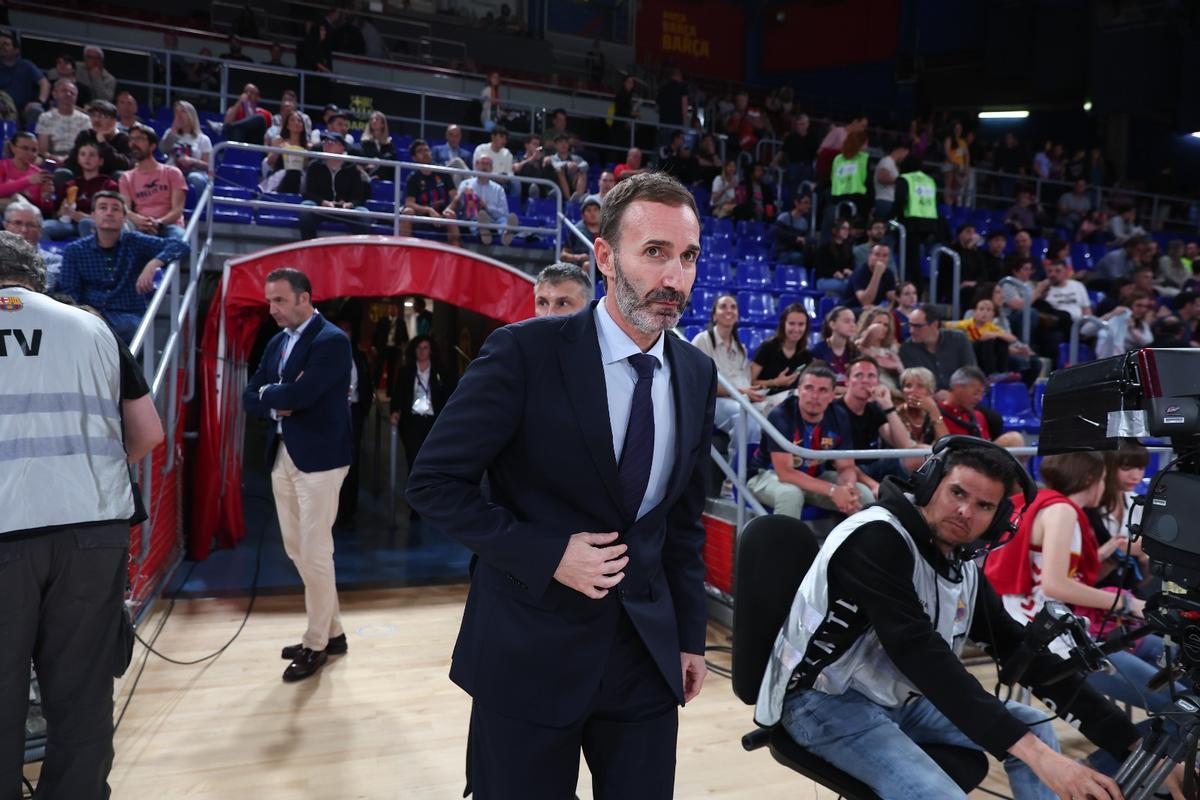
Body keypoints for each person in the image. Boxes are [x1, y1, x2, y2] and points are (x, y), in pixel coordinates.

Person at [406, 173, 717, 798]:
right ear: (604, 256)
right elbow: (435, 483)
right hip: (529, 648)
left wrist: (690, 636)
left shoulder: (696, 371)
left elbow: (681, 521)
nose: (675, 277)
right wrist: (550, 554)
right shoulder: (523, 352)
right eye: (654, 252)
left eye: (687, 257)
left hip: (643, 656)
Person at [757, 438, 1162, 800]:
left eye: (984, 506)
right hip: (820, 702)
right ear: (930, 485)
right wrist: (1041, 760)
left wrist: (1133, 746)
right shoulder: (876, 537)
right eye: (956, 493)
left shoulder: (961, 560)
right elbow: (923, 656)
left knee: (1035, 726)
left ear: (998, 518)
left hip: (899, 699)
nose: (965, 512)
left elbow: (1020, 649)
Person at [0, 230, 164, 800]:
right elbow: (148, 434)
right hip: (92, 534)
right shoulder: (93, 327)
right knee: (82, 691)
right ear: (37, 275)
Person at [985, 452, 1182, 724]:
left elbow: (1054, 573)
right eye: (1102, 478)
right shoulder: (1061, 510)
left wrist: (1110, 555)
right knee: (1183, 707)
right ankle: (1098, 763)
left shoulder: (1041, 501)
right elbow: (1055, 585)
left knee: (1176, 685)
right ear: (1090, 478)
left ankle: (1109, 762)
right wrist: (1128, 604)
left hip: (1044, 630)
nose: (1104, 485)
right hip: (1054, 641)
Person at [242, 268, 354, 682]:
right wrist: (276, 398)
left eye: (280, 301)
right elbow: (249, 395)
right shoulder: (276, 342)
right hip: (284, 453)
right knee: (297, 549)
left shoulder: (331, 341)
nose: (272, 309)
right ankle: (335, 632)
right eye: (269, 301)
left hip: (321, 459)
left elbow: (304, 395)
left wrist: (275, 394)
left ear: (305, 298)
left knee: (315, 551)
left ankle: (316, 643)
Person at [58, 191, 190, 343]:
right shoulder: (74, 250)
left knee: (132, 329)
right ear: (93, 215)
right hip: (89, 315)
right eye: (103, 208)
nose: (109, 213)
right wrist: (86, 312)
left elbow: (180, 245)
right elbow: (70, 293)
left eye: (115, 209)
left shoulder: (134, 241)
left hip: (127, 317)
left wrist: (153, 263)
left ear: (125, 218)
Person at [745, 363, 871, 520]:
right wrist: (832, 490)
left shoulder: (839, 416)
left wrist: (848, 488)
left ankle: (855, 544)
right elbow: (785, 473)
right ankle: (781, 545)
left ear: (833, 395)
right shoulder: (781, 414)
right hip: (767, 475)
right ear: (799, 390)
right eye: (809, 388)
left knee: (863, 495)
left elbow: (846, 467)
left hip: (814, 478)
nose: (814, 396)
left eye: (823, 390)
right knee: (791, 495)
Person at [689, 293, 763, 447]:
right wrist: (741, 391)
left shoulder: (741, 348)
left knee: (769, 413)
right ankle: (739, 468)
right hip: (714, 401)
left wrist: (752, 391)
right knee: (743, 415)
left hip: (741, 398)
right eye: (723, 307)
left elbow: (745, 380)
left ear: (737, 316)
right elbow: (702, 383)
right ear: (714, 316)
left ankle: (751, 465)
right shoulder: (702, 340)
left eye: (733, 307)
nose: (729, 310)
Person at [836, 355, 917, 491]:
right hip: (847, 471)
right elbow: (842, 463)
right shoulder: (835, 410)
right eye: (859, 375)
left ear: (878, 382)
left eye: (871, 376)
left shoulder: (874, 409)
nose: (865, 381)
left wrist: (888, 406)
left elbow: (905, 446)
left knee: (923, 456)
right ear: (847, 382)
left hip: (875, 466)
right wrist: (873, 485)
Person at [389, 334, 453, 481]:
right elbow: (397, 394)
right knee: (413, 459)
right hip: (412, 421)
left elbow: (449, 395)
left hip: (433, 422)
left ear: (431, 350)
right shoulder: (406, 371)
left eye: (426, 348)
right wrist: (394, 411)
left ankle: (428, 493)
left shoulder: (440, 372)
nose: (422, 351)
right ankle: (415, 494)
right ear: (414, 350)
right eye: (419, 347)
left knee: (432, 460)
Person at [119, 123, 187, 239]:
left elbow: (177, 210)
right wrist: (138, 220)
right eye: (131, 139)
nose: (134, 143)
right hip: (141, 226)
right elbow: (126, 209)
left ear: (152, 146)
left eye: (140, 139)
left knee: (178, 236)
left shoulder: (172, 172)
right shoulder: (126, 177)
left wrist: (158, 223)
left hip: (168, 226)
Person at [299, 132, 370, 241]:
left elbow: (359, 196)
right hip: (322, 207)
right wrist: (323, 202)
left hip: (345, 210)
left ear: (342, 147)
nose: (326, 144)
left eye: (331, 142)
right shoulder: (314, 166)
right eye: (325, 142)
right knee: (305, 208)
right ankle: (310, 248)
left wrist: (350, 204)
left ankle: (359, 252)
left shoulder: (352, 169)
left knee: (364, 213)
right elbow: (308, 193)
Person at [43, 141, 117, 240]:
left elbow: (112, 215)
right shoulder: (70, 184)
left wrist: (86, 217)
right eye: (83, 154)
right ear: (78, 159)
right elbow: (56, 213)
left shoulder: (108, 185)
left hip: (95, 224)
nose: (87, 158)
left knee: (85, 223)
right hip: (70, 224)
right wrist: (61, 212)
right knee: (44, 227)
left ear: (100, 161)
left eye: (92, 155)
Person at [443, 153, 518, 246]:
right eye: (482, 163)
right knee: (475, 218)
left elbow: (503, 212)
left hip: (494, 220)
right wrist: (466, 200)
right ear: (476, 166)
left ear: (491, 168)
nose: (484, 167)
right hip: (474, 218)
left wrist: (486, 207)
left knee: (502, 220)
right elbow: (459, 207)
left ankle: (505, 234)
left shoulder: (498, 189)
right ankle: (483, 231)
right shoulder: (465, 184)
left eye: (487, 164)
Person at [899, 305, 977, 393]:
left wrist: (953, 394)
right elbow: (913, 383)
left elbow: (971, 373)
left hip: (961, 395)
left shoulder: (958, 339)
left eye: (917, 326)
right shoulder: (907, 349)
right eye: (910, 325)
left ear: (934, 325)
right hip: (928, 399)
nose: (911, 331)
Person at [750, 302, 812, 410]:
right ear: (784, 324)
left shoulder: (806, 355)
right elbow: (750, 381)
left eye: (801, 324)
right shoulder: (767, 348)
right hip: (765, 401)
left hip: (792, 402)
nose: (796, 329)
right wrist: (775, 382)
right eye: (792, 324)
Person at [399, 138, 459, 245]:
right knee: (407, 212)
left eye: (426, 150)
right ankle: (403, 251)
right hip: (422, 217)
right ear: (414, 158)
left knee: (451, 214)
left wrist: (448, 209)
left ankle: (456, 253)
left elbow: (455, 197)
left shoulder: (443, 172)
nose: (425, 153)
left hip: (442, 215)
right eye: (420, 151)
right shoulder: (413, 177)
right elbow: (409, 203)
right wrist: (429, 210)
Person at [160, 100, 212, 197]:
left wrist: (193, 161)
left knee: (196, 179)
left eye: (183, 112)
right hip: (173, 170)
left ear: (191, 115)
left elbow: (208, 165)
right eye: (176, 112)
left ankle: (199, 210)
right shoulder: (169, 133)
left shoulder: (203, 139)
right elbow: (163, 149)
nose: (179, 115)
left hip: (195, 172)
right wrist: (173, 132)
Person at [5, 199, 62, 288]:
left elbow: (39, 287)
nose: (24, 230)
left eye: (31, 225)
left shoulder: (55, 262)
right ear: (6, 226)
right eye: (17, 223)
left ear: (40, 231)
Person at [0, 29, 50, 130]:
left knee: (36, 110)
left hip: (24, 109)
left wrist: (39, 101)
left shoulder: (26, 65)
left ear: (16, 50)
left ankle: (32, 142)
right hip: (3, 106)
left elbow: (45, 84)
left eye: (6, 44)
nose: (2, 47)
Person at [0, 130, 53, 216]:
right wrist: (28, 181)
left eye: (34, 150)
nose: (30, 153)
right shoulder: (2, 166)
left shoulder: (40, 174)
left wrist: (46, 197)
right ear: (13, 147)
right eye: (25, 148)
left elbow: (45, 211)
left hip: (27, 217)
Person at [36, 79, 90, 161]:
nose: (68, 94)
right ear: (54, 94)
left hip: (78, 159)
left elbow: (86, 147)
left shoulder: (85, 119)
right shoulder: (45, 117)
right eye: (64, 91)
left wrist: (70, 158)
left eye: (72, 93)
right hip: (52, 158)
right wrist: (55, 158)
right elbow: (43, 150)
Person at [897, 366, 950, 444]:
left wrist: (933, 410)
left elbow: (945, 445)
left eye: (920, 386)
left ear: (930, 392)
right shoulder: (897, 413)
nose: (912, 390)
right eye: (908, 386)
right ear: (902, 391)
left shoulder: (934, 413)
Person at [809, 305, 858, 386]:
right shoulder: (818, 351)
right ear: (832, 325)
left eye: (853, 321)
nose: (852, 325)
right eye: (847, 321)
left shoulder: (854, 351)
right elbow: (817, 384)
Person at [853, 305, 903, 383]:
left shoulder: (892, 349)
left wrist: (897, 365)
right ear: (868, 325)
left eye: (885, 325)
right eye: (878, 323)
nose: (881, 327)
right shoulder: (859, 345)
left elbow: (902, 375)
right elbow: (862, 346)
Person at [371, 300, 408, 392]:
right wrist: (374, 346)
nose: (393, 310)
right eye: (391, 308)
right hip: (383, 347)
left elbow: (405, 337)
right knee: (379, 367)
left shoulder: (401, 322)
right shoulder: (383, 320)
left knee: (392, 370)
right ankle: (374, 388)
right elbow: (376, 334)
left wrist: (402, 345)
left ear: (398, 310)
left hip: (394, 348)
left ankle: (390, 391)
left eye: (395, 309)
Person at [845, 243, 897, 309]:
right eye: (877, 255)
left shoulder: (888, 273)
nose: (881, 259)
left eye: (885, 256)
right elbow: (866, 301)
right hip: (852, 308)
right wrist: (877, 273)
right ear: (870, 256)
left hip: (873, 309)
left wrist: (885, 309)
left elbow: (892, 300)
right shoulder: (860, 272)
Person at [812, 218, 854, 297]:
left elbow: (851, 266)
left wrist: (849, 272)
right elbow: (820, 268)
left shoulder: (848, 249)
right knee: (848, 285)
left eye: (848, 229)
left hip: (842, 280)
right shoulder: (824, 247)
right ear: (835, 230)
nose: (846, 231)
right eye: (843, 228)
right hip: (824, 280)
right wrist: (833, 274)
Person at [560, 195, 600, 267]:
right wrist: (577, 257)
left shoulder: (607, 230)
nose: (592, 213)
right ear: (583, 216)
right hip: (582, 268)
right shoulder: (576, 230)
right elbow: (563, 255)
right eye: (588, 210)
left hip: (603, 264)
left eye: (595, 210)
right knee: (587, 265)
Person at [772, 192, 810, 265]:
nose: (808, 206)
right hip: (782, 252)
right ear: (797, 203)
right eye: (805, 202)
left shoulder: (804, 222)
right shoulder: (784, 217)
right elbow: (777, 232)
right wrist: (796, 238)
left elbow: (804, 238)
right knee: (796, 257)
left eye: (809, 203)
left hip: (796, 251)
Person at [358, 110, 396, 181]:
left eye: (377, 119)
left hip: (385, 177)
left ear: (383, 124)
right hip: (368, 173)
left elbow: (391, 163)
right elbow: (362, 161)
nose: (374, 121)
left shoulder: (389, 145)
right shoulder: (365, 143)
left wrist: (377, 162)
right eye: (372, 119)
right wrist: (368, 165)